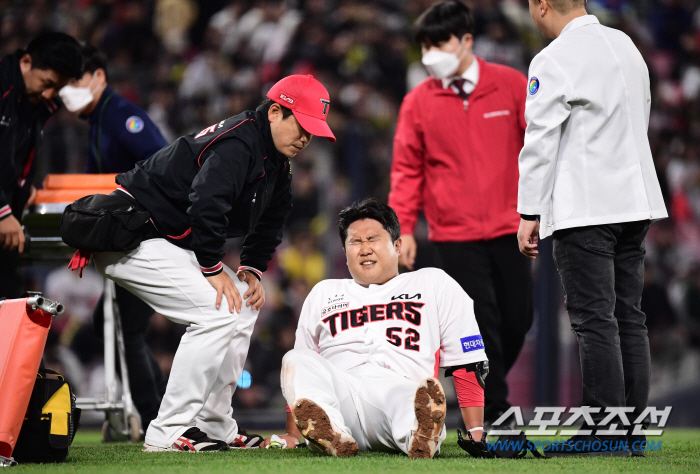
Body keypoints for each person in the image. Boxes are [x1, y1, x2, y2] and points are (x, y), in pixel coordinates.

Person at [78, 74, 336, 452]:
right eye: (302, 126)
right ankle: (168, 431)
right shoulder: (240, 141)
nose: (305, 139)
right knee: (215, 313)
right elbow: (206, 203)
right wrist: (213, 268)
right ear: (276, 111)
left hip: (164, 239)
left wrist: (250, 269)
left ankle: (215, 423)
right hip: (129, 231)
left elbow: (272, 220)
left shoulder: (277, 161)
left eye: (313, 133)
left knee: (243, 306)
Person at [517, 0, 668, 457]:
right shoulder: (626, 45)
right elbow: (638, 117)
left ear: (542, 6)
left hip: (587, 207)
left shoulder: (554, 57)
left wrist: (529, 211)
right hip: (634, 201)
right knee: (629, 317)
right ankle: (631, 432)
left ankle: (603, 435)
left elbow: (540, 139)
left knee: (594, 319)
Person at [388, 0, 532, 429]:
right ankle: (497, 416)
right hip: (454, 233)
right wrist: (404, 229)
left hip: (512, 226)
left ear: (467, 40)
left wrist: (540, 209)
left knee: (518, 319)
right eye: (425, 46)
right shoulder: (418, 102)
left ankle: (484, 394)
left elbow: (538, 151)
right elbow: (406, 170)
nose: (431, 54)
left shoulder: (510, 85)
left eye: (439, 43)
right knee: (483, 320)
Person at [261, 198, 489, 459]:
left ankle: (420, 435)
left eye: (373, 239)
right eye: (355, 242)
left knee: (412, 402)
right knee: (295, 358)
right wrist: (293, 434)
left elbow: (468, 361)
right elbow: (301, 378)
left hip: (401, 390)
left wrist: (477, 432)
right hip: (340, 397)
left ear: (397, 245)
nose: (364, 249)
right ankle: (333, 434)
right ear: (344, 251)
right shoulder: (323, 292)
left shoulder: (432, 283)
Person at [59, 44, 169, 434]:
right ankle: (155, 414)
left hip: (146, 237)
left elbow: (161, 163)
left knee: (124, 326)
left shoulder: (123, 117)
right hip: (129, 239)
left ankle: (156, 419)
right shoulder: (100, 122)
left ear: (99, 78)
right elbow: (91, 185)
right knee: (117, 324)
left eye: (75, 80)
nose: (66, 90)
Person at [0, 32, 82, 299]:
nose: (49, 94)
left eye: (56, 89)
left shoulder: (34, 102)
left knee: (10, 298)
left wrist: (23, 191)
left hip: (10, 216)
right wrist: (2, 212)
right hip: (3, 214)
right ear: (26, 62)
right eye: (47, 83)